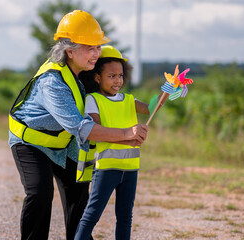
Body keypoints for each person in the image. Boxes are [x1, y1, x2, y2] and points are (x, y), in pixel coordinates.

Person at [8, 11, 148, 240]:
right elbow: (82, 128)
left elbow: (113, 99)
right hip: (30, 143)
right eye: (89, 48)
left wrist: (153, 103)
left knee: (79, 193)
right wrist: (125, 134)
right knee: (40, 194)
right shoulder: (52, 83)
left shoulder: (86, 71)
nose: (96, 54)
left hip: (63, 142)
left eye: (98, 47)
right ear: (69, 51)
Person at [74, 45, 166, 240]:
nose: (118, 80)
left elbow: (151, 108)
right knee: (91, 216)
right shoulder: (93, 100)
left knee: (125, 217)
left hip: (130, 168)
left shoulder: (128, 99)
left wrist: (169, 90)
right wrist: (130, 138)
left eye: (121, 76)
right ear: (97, 77)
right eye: (112, 76)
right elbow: (97, 133)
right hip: (107, 168)